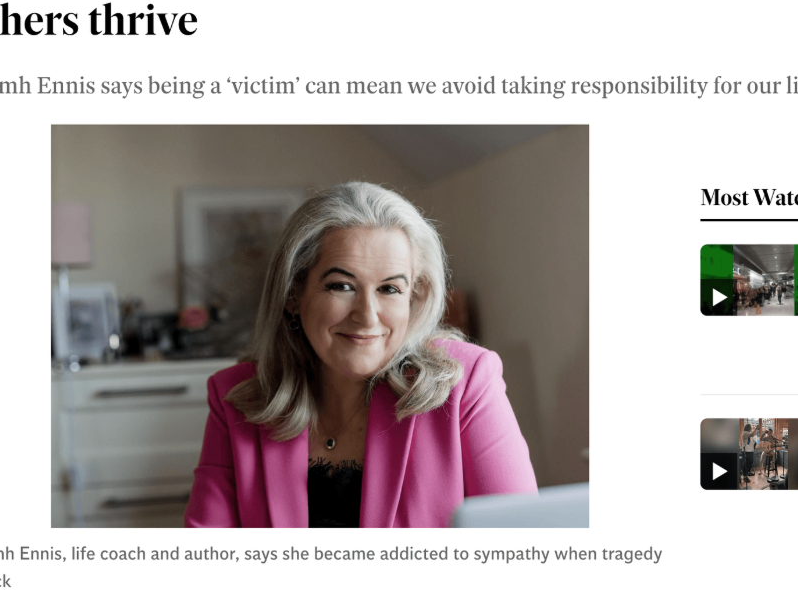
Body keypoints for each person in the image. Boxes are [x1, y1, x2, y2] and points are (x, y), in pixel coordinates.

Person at [184, 181, 537, 528]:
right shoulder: (236, 398)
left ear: (413, 298)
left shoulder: (467, 383)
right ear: (294, 294)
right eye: (342, 286)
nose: (367, 316)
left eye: (389, 289)